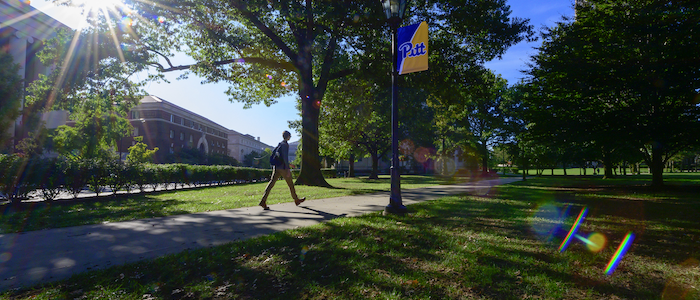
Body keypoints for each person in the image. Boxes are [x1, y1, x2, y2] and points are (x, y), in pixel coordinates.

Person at [259, 130, 305, 210]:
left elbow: (280, 157)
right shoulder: (285, 145)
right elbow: (284, 157)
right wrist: (287, 169)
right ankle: (296, 200)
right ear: (288, 136)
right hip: (283, 168)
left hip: (276, 167)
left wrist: (289, 164)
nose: (290, 137)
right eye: (290, 136)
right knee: (290, 184)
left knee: (271, 184)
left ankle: (263, 201)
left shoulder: (280, 144)